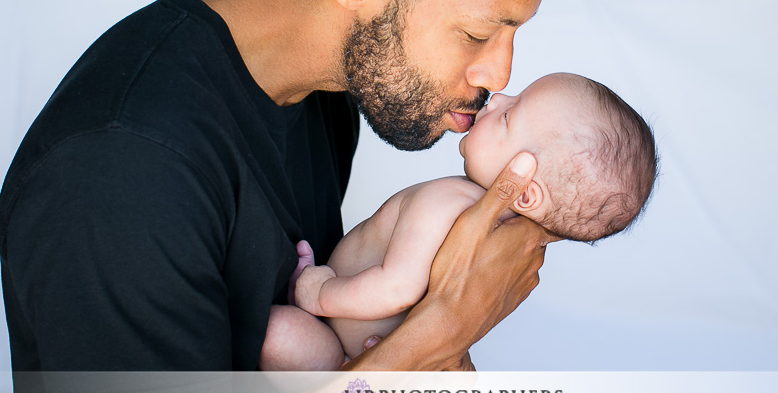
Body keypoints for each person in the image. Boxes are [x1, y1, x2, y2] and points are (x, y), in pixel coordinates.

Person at [0, 0, 557, 393]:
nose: (499, 74)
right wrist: (440, 330)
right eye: (477, 33)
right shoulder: (120, 169)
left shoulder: (327, 87)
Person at [259, 73, 659, 369]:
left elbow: (397, 287)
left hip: (342, 353)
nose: (497, 96)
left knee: (276, 332)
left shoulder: (447, 202)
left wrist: (319, 292)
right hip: (386, 365)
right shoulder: (499, 241)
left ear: (524, 190)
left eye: (509, 115)